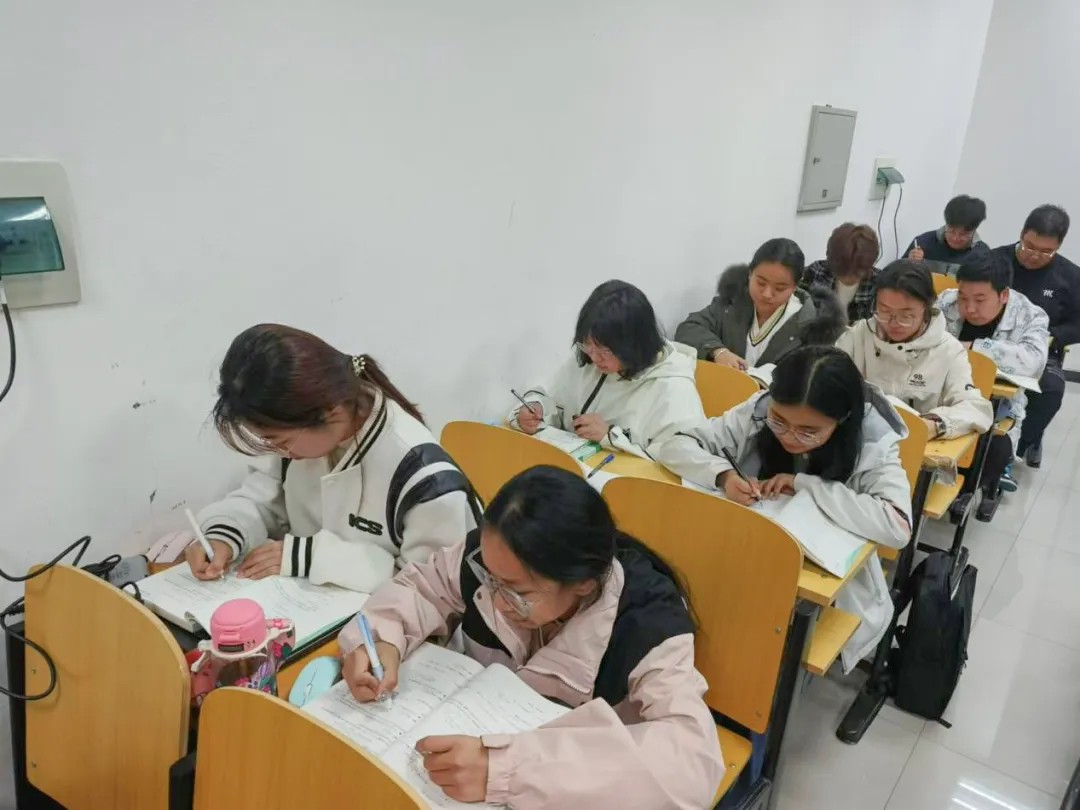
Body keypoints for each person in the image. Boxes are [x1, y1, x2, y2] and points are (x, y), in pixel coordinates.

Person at [339, 466, 724, 809]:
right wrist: (382, 640)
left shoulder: (648, 624)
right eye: (489, 577)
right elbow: (422, 587)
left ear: (583, 584)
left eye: (517, 592)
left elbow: (691, 764)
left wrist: (506, 770)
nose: (494, 598)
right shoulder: (492, 555)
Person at [655, 346, 911, 671]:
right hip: (747, 545)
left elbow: (897, 526)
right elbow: (676, 444)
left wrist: (806, 485)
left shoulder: (873, 441)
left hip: (818, 572)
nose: (789, 437)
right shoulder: (760, 410)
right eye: (779, 421)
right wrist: (723, 475)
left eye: (809, 431)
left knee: (755, 635)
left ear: (842, 420)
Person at [180, 324, 478, 591]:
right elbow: (263, 500)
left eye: (281, 442)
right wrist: (224, 535)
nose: (282, 454)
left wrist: (310, 557)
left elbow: (431, 591)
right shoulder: (303, 433)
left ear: (330, 412)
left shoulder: (426, 481)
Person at [511, 280, 705, 458]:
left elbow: (684, 464)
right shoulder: (590, 361)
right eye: (588, 346)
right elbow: (551, 398)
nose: (595, 358)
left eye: (606, 351)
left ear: (635, 345)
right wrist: (536, 408)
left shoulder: (674, 389)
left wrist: (611, 437)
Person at [938, 254, 1049, 521]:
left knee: (993, 449)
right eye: (964, 297)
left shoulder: (1030, 315)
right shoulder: (946, 301)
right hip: (942, 396)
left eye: (980, 300)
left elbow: (1032, 362)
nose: (969, 308)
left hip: (996, 408)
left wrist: (974, 347)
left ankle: (966, 491)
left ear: (1003, 295)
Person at [835, 260, 993, 440]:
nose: (893, 323)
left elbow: (975, 407)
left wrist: (935, 425)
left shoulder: (948, 350)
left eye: (906, 315)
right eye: (884, 311)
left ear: (927, 308)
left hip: (918, 447)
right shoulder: (858, 336)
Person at [990, 204, 1080, 467]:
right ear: (1022, 233)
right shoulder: (994, 261)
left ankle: (1015, 448)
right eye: (1029, 246)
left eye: (1045, 251)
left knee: (1051, 390)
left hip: (1040, 350)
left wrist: (1052, 336)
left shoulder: (1071, 277)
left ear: (1059, 246)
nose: (1034, 256)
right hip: (992, 341)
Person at [675, 237, 847, 370]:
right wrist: (719, 352)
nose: (766, 294)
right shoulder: (733, 301)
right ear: (750, 273)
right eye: (761, 283)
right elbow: (690, 327)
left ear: (795, 286)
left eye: (779, 288)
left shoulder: (810, 325)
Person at [801, 222, 880, 323]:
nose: (848, 279)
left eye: (856, 274)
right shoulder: (815, 272)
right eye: (842, 273)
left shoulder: (878, 284)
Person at [906, 194, 990, 275]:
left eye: (963, 234)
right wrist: (909, 264)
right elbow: (900, 276)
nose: (955, 238)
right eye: (951, 231)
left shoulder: (982, 256)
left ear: (974, 230)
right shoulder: (922, 243)